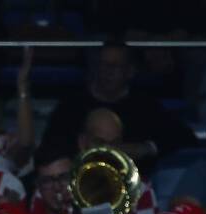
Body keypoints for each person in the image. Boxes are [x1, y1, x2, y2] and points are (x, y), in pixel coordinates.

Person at [40, 41, 197, 171]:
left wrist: (144, 148)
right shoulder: (71, 105)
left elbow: (183, 137)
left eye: (115, 66)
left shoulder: (145, 105)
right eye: (103, 65)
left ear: (130, 71)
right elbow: (51, 145)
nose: (108, 71)